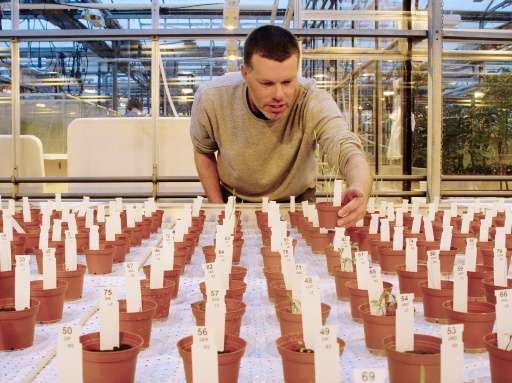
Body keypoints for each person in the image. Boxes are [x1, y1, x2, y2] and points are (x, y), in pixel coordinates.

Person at [190, 25, 372, 227]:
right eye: (267, 83)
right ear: (245, 74)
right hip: (235, 201)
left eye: (287, 82)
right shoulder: (212, 98)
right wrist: (219, 207)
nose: (279, 95)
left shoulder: (311, 100)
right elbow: (203, 151)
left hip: (298, 203)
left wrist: (359, 185)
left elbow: (346, 148)